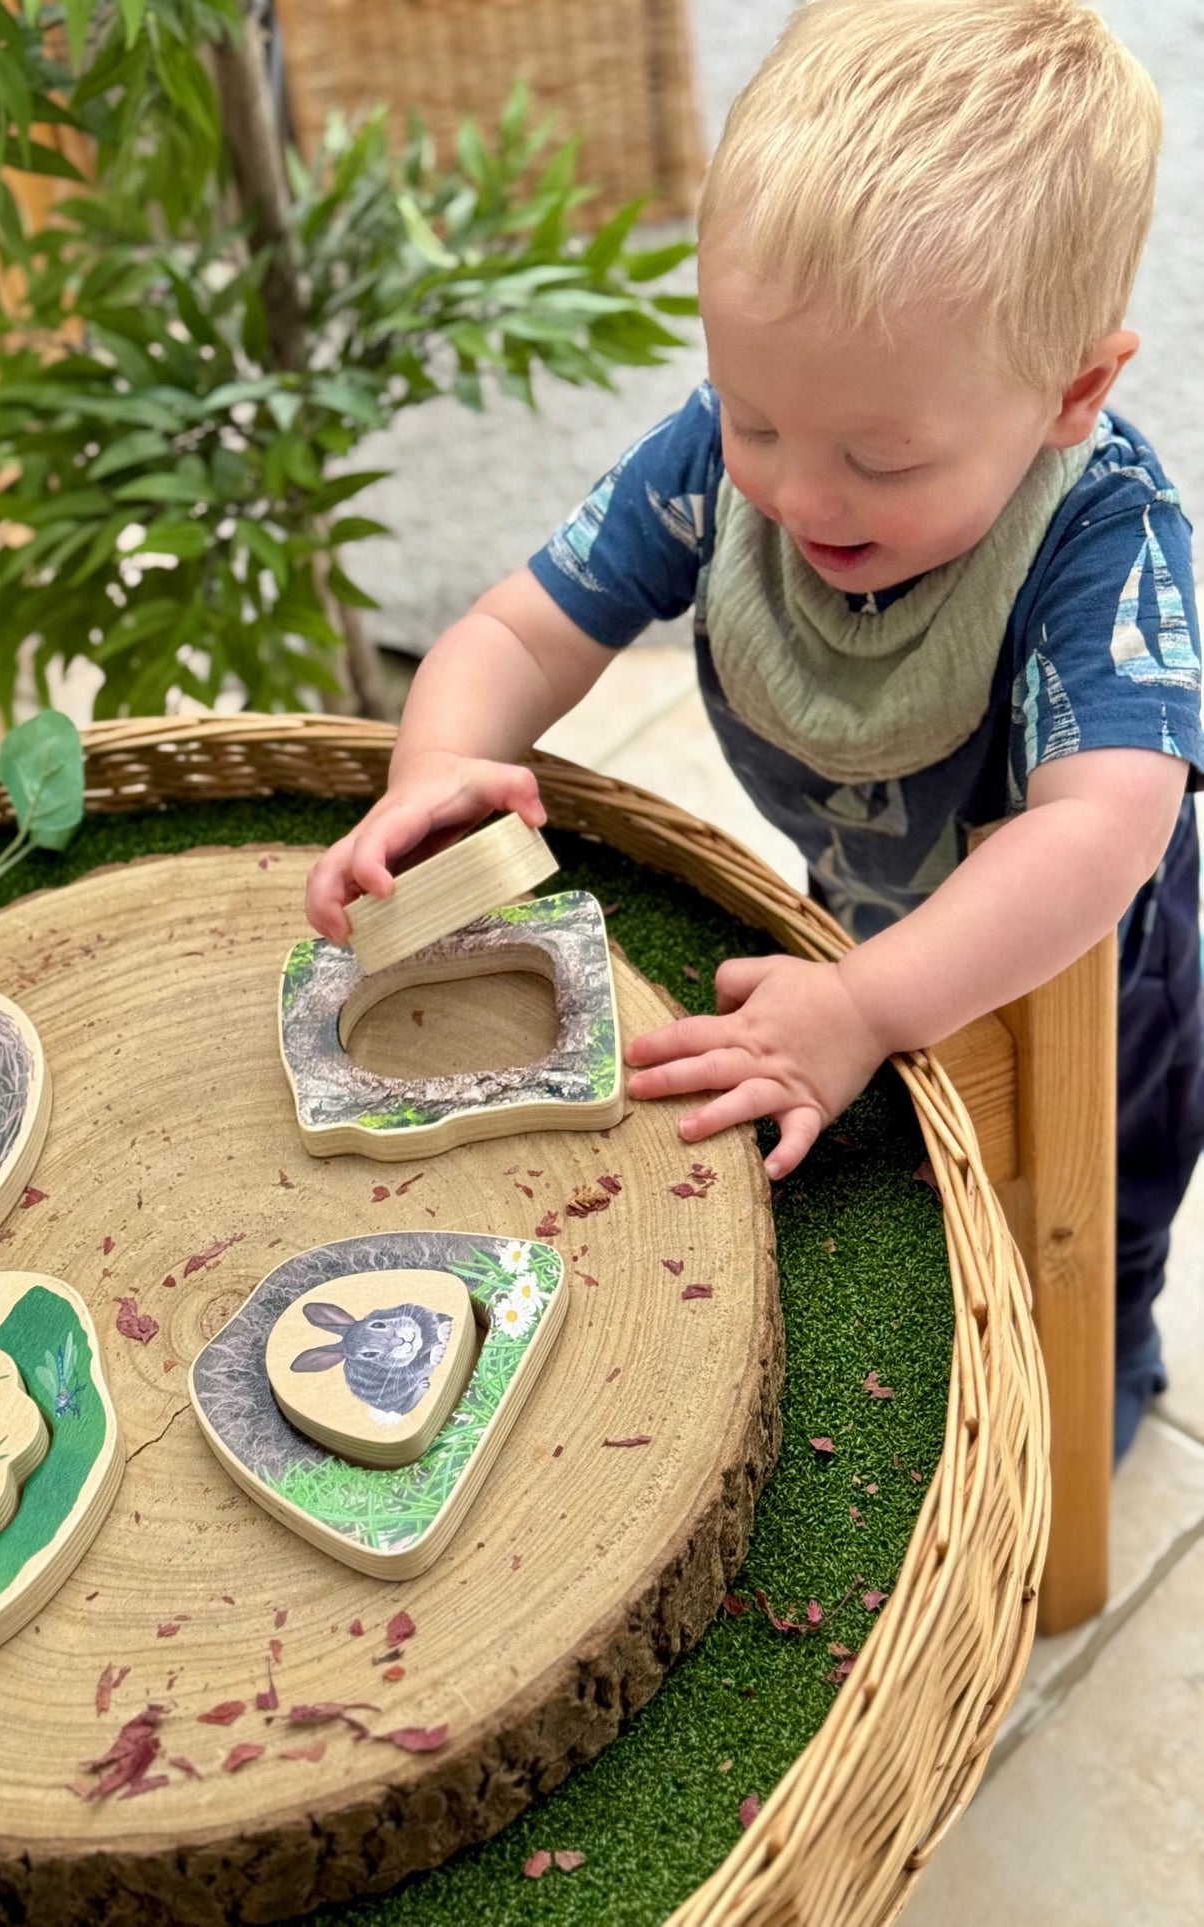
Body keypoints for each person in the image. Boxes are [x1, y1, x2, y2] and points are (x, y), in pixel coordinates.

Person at [304, 0, 1202, 1459]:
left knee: (1095, 1202)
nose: (800, 495)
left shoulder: (1100, 537)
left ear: (1073, 391)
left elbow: (1102, 831)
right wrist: (444, 760)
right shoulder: (748, 453)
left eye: (883, 457)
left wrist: (859, 1008)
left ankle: (1106, 1360)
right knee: (888, 1187)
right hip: (859, 904)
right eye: (753, 416)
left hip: (1085, 987)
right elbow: (518, 629)